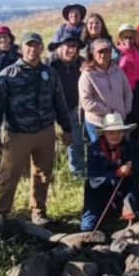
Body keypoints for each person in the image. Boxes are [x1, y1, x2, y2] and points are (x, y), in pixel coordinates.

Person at [0, 32, 73, 226]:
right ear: (20, 49)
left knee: (43, 174)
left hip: (45, 132)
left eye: (36, 45)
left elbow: (59, 102)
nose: (33, 49)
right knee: (9, 175)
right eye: (29, 45)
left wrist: (67, 128)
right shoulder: (7, 75)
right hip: (17, 133)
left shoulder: (50, 73)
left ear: (42, 48)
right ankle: (0, 214)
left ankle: (38, 211)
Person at [80, 113, 139, 232]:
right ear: (104, 133)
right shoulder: (94, 149)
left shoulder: (130, 145)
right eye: (111, 133)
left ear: (123, 132)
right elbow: (94, 179)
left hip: (125, 187)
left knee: (133, 201)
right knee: (87, 226)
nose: (115, 136)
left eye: (119, 132)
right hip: (99, 190)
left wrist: (132, 167)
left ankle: (126, 212)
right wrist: (116, 173)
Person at [79, 38, 132, 143]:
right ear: (93, 54)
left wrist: (125, 110)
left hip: (118, 122)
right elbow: (86, 101)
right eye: (100, 52)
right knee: (98, 151)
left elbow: (128, 92)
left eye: (107, 51)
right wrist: (108, 112)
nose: (103, 55)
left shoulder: (118, 71)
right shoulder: (87, 75)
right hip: (97, 124)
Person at [47, 35, 86, 178]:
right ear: (60, 47)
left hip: (72, 106)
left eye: (74, 46)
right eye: (68, 46)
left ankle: (77, 172)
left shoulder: (82, 63)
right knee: (46, 141)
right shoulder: (49, 63)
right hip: (50, 107)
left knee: (76, 140)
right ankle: (47, 172)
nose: (71, 50)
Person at [116, 23, 139, 133]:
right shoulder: (118, 53)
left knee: (137, 119)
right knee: (127, 120)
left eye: (131, 37)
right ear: (122, 38)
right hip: (124, 92)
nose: (129, 40)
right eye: (126, 37)